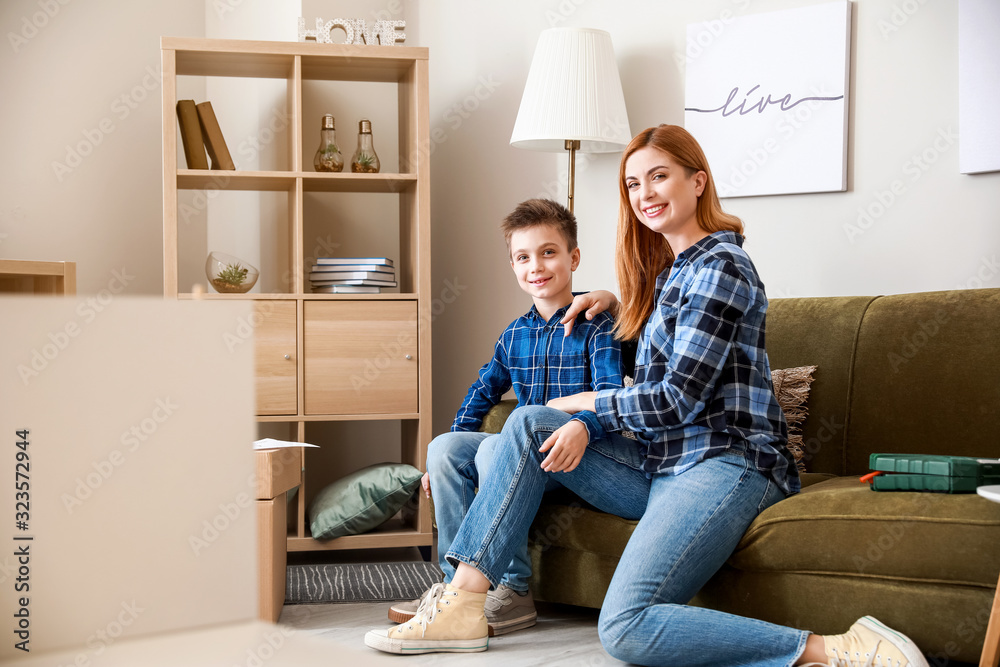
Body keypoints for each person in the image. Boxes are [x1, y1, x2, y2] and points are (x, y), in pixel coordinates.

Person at [364, 125, 929, 667]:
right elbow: (647, 371)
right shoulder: (670, 276)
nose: (644, 193)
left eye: (658, 176)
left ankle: (840, 650)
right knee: (527, 423)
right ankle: (464, 601)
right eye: (633, 184)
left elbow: (675, 399)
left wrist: (588, 410)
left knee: (625, 626)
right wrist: (609, 302)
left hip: (726, 462)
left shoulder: (723, 266)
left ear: (697, 181)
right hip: (663, 463)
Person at [384, 198, 624, 638]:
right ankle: (455, 584)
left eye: (549, 252)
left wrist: (586, 428)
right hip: (526, 459)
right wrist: (453, 440)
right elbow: (482, 392)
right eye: (523, 256)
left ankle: (511, 589)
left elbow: (612, 398)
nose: (537, 265)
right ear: (512, 265)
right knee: (444, 448)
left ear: (573, 257)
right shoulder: (513, 335)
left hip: (581, 456)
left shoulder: (598, 323)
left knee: (498, 444)